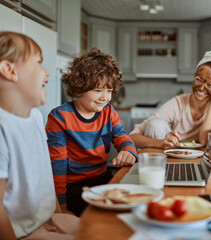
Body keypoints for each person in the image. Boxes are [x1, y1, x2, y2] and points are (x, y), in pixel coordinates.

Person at [0, 32, 78, 240]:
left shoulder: (34, 116)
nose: (47, 73)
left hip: (48, 219)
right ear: (9, 70)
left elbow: (44, 172)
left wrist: (59, 215)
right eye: (39, 63)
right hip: (21, 233)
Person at [45, 48, 137, 217]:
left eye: (109, 91)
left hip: (101, 179)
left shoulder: (109, 112)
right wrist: (62, 206)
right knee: (103, 215)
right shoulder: (60, 117)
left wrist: (128, 150)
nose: (105, 97)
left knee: (130, 203)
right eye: (98, 90)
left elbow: (121, 136)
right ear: (79, 87)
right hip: (72, 187)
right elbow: (56, 167)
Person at [129, 47, 211, 149]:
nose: (201, 88)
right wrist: (161, 143)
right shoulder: (178, 103)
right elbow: (132, 137)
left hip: (202, 161)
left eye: (210, 85)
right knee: (155, 124)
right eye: (198, 79)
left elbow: (205, 141)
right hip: (173, 158)